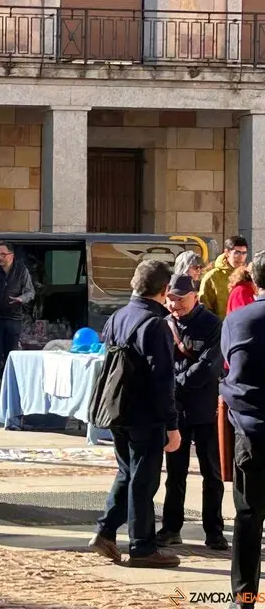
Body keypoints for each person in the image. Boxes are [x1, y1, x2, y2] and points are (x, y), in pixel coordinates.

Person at [88, 260, 181, 569]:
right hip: (145, 413)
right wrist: (171, 424)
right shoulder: (155, 324)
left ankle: (105, 531)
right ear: (164, 290)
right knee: (143, 480)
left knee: (128, 473)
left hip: (117, 409)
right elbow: (162, 377)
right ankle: (142, 547)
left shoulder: (118, 316)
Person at [156, 273, 227, 551]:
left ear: (194, 296)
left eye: (180, 299)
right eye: (170, 299)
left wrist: (178, 383)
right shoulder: (164, 324)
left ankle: (215, 530)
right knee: (175, 473)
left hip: (205, 407)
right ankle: (171, 527)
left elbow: (211, 364)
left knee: (212, 473)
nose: (175, 305)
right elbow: (160, 362)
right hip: (175, 410)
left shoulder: (212, 324)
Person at [221, 250, 265, 607]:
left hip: (250, 429)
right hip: (250, 423)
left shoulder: (238, 319)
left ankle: (244, 596)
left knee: (249, 515)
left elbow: (229, 362)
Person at [0, 242, 34, 404]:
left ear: (12, 255)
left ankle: (10, 392)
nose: (0, 257)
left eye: (4, 254)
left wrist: (21, 299)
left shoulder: (21, 270)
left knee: (11, 356)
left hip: (13, 319)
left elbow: (30, 291)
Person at [199, 235, 249, 319]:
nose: (241, 257)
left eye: (244, 253)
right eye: (237, 252)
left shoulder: (249, 275)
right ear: (227, 253)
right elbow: (204, 306)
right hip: (221, 327)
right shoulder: (213, 276)